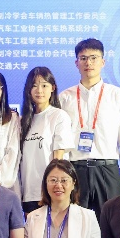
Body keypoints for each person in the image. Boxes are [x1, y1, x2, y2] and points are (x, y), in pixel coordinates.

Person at [59, 39, 120, 217]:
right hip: (75, 169)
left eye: (94, 57)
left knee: (110, 223)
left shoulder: (118, 95)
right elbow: (60, 140)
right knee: (75, 223)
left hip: (107, 169)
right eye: (83, 58)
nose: (89, 63)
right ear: (76, 63)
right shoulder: (64, 98)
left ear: (103, 62)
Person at [18, 66, 72, 213]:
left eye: (44, 85)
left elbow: (58, 159)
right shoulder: (22, 121)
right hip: (28, 192)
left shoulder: (59, 116)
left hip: (51, 191)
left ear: (53, 88)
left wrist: (52, 187)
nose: (39, 90)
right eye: (34, 86)